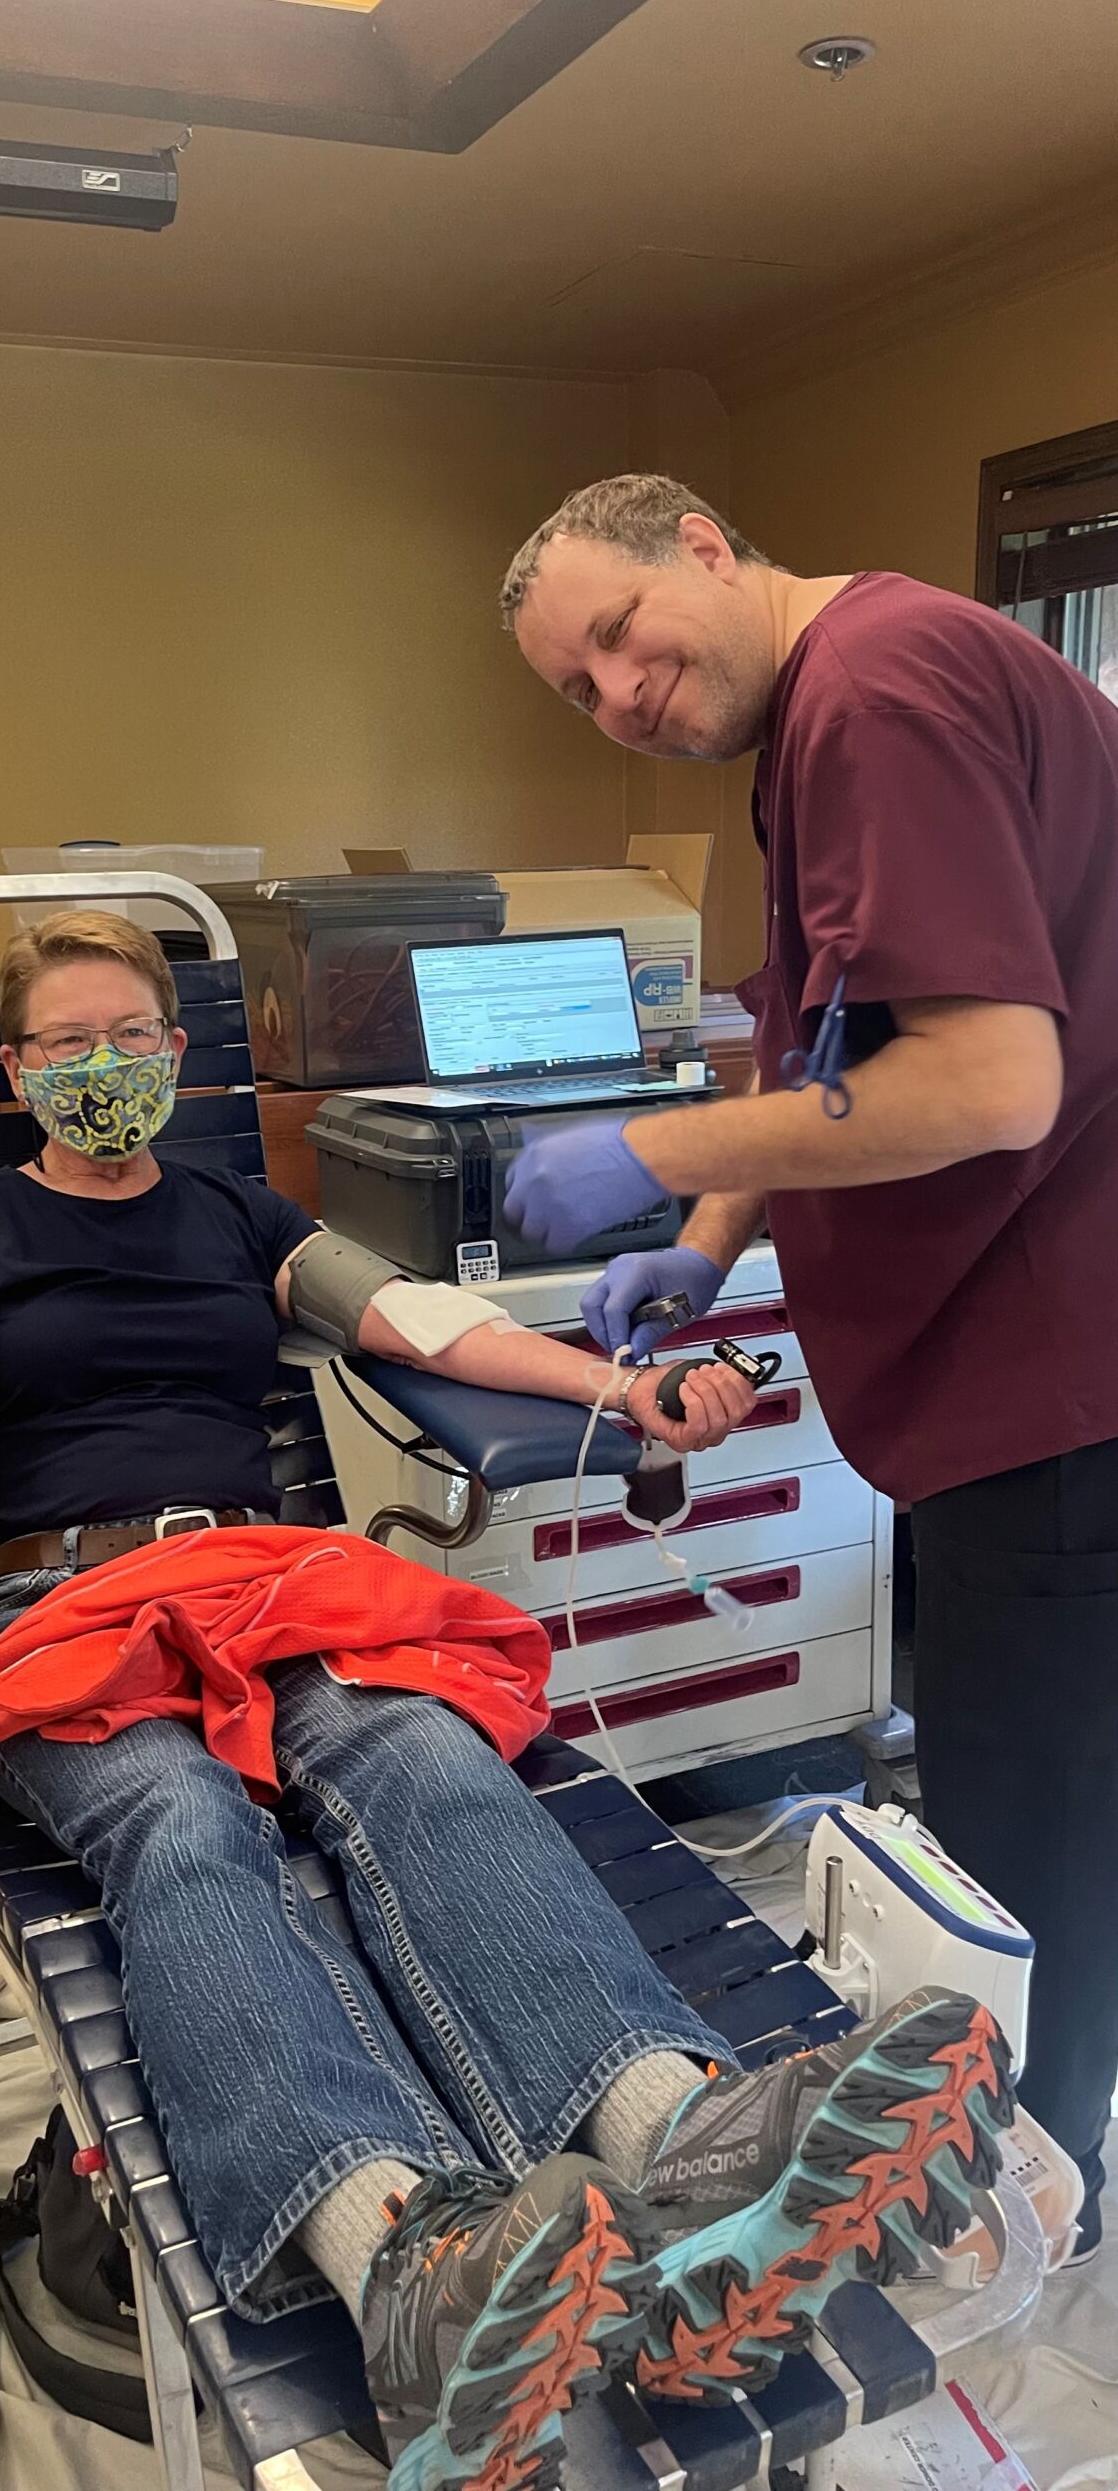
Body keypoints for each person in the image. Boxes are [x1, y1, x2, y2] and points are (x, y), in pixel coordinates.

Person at [0, 909, 1012, 2491]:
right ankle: (402, 2265)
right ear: (17, 1066)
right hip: (65, 1602)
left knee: (425, 1760)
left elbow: (429, 1324)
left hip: (272, 1581)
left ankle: (695, 2159)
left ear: (176, 1058)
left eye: (130, 1035)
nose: (100, 1066)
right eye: (65, 1044)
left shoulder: (241, 1211)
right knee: (181, 1826)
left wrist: (627, 1386)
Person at [498, 470, 1118, 2265]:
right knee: (1022, 1787)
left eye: (618, 636)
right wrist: (692, 1260)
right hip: (1006, 1373)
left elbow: (992, 1083)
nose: (617, 696)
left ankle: (1031, 2192)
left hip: (1056, 1380)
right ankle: (1013, 2121)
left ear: (706, 543)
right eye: (576, 690)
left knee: (1032, 1830)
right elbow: (820, 1038)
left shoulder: (874, 688)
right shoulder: (831, 720)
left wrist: (654, 1154)